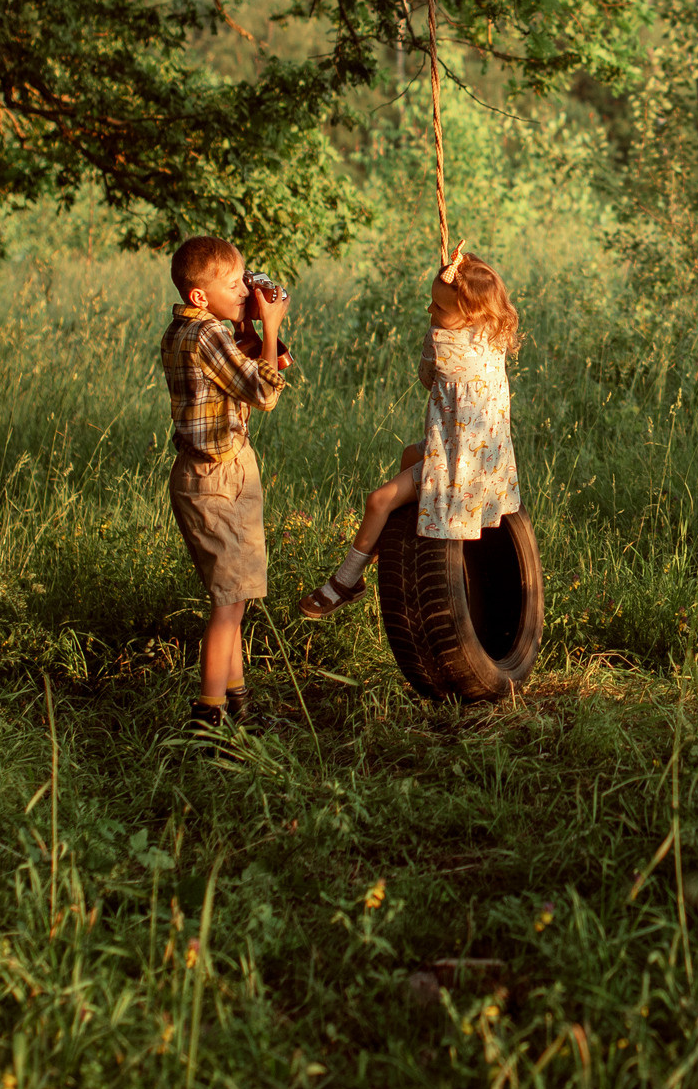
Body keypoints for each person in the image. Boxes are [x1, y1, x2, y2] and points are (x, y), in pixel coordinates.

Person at [302, 244, 521, 616]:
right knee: (408, 455)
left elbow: (425, 378)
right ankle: (380, 537)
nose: (430, 312)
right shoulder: (491, 331)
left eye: (438, 307)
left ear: (467, 313)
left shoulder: (443, 346)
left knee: (378, 500)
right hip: (483, 460)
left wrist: (433, 330)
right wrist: (452, 285)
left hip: (457, 471)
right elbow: (466, 297)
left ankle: (347, 580)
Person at [159, 235, 290, 738]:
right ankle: (208, 720)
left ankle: (239, 709)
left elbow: (234, 376)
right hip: (217, 477)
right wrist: (271, 330)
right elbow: (261, 393)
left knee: (233, 598)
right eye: (233, 284)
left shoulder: (183, 331)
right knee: (228, 606)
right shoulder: (208, 335)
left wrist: (249, 331)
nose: (243, 290)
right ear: (199, 295)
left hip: (209, 474)